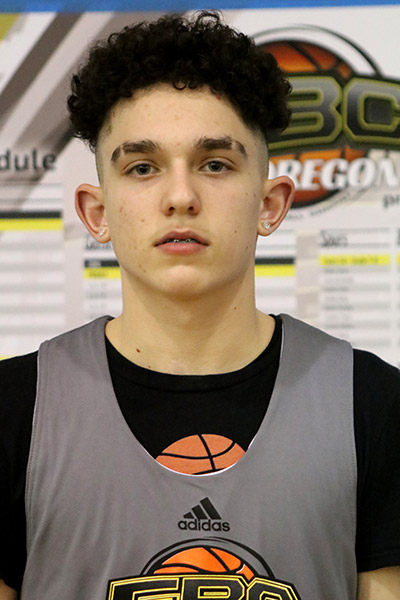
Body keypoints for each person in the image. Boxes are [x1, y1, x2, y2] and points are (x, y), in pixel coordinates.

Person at [1, 11, 399, 600]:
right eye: (142, 168)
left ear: (270, 204)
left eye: (215, 164)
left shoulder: (375, 404)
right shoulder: (14, 409)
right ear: (97, 213)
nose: (181, 196)